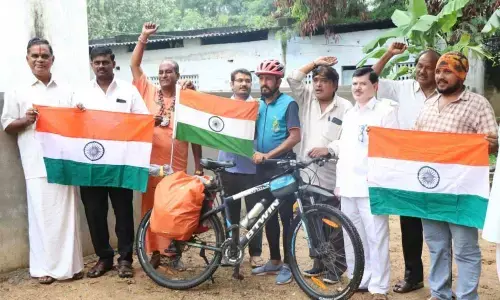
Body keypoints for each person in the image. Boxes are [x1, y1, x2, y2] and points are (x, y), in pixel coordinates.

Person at [414, 51, 498, 300]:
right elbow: (414, 141)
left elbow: (492, 144)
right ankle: (439, 294)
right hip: (430, 191)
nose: (440, 76)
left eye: (447, 71)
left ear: (461, 74)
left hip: (462, 192)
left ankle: (466, 296)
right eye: (438, 71)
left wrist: (478, 145)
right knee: (437, 248)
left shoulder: (477, 103)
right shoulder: (428, 104)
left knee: (465, 250)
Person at [1, 38, 84, 284]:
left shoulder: (66, 90)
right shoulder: (19, 91)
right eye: (35, 56)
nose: (40, 60)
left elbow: (77, 122)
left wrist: (78, 112)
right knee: (41, 216)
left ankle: (71, 267)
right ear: (27, 59)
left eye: (44, 55)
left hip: (64, 161)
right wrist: (26, 120)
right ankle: (43, 269)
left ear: (52, 59)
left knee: (66, 214)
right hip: (35, 161)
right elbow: (7, 125)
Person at [130, 22, 203, 269]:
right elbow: (134, 66)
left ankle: (174, 254)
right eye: (161, 72)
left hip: (177, 164)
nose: (164, 75)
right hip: (151, 163)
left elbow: (196, 135)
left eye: (169, 72)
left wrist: (199, 166)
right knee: (151, 206)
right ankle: (154, 253)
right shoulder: (148, 91)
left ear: (178, 75)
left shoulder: (186, 97)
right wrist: (143, 38)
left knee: (175, 208)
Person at [73, 46, 150, 278]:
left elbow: (142, 121)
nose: (101, 66)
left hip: (120, 163)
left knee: (123, 212)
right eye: (96, 63)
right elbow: (71, 126)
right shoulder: (80, 93)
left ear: (113, 62)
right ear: (91, 65)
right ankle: (104, 258)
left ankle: (125, 259)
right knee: (95, 213)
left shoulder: (129, 91)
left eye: (105, 62)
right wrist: (76, 114)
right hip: (90, 163)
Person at [372, 41, 441, 294]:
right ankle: (413, 276)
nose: (422, 71)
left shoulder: (445, 93)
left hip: (438, 169)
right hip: (407, 168)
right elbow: (372, 77)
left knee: (438, 229)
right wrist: (389, 53)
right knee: (409, 225)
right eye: (419, 66)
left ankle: (440, 283)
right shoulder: (402, 88)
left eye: (429, 68)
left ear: (439, 71)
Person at [334, 67, 399, 300]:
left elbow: (392, 149)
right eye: (354, 84)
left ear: (375, 86)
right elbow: (345, 149)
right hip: (349, 184)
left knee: (376, 237)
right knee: (352, 234)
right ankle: (358, 278)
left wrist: (384, 182)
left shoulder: (385, 112)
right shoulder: (350, 113)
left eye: (362, 84)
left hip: (372, 186)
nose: (357, 88)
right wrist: (339, 181)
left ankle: (379, 286)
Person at [287, 56, 352, 283]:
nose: (317, 84)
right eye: (315, 80)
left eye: (323, 80)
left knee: (333, 223)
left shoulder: (345, 107)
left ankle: (335, 268)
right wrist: (314, 63)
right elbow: (294, 77)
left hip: (331, 174)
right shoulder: (306, 100)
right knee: (310, 221)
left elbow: (349, 140)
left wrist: (329, 149)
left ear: (334, 85)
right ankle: (319, 263)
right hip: (306, 173)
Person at [251, 59, 301, 285]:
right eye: (261, 78)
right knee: (266, 216)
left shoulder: (288, 104)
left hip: (282, 168)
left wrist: (268, 155)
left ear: (278, 81)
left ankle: (290, 265)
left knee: (286, 218)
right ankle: (274, 260)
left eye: (268, 78)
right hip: (261, 168)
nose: (264, 82)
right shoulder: (256, 105)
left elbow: (294, 136)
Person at [218, 68, 264, 270]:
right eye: (239, 80)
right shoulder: (222, 107)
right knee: (230, 214)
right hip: (227, 168)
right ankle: (232, 251)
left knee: (254, 213)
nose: (243, 84)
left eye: (247, 81)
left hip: (251, 169)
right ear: (232, 84)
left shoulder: (259, 107)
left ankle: (255, 254)